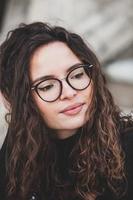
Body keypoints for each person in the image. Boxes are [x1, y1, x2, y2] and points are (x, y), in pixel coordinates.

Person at [0, 22, 133, 200]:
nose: (69, 93)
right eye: (47, 86)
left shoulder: (128, 146)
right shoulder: (14, 163)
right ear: (13, 101)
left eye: (77, 75)